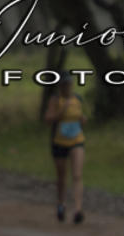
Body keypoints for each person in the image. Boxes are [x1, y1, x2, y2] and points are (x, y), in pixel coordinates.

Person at [44, 73, 86, 224]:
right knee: (62, 176)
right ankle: (61, 204)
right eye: (64, 85)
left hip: (77, 140)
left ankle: (78, 209)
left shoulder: (78, 99)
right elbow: (48, 119)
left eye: (68, 84)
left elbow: (81, 118)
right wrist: (62, 111)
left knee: (77, 175)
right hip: (59, 141)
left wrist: (82, 120)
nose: (67, 87)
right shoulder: (55, 100)